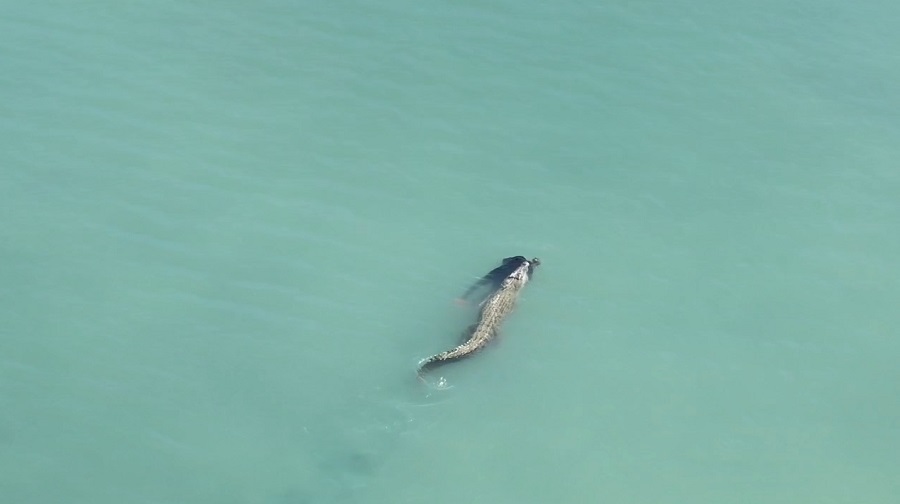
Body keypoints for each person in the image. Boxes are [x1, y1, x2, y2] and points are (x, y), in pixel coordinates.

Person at [455, 256, 529, 306]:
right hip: (504, 277)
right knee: (491, 292)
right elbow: (528, 279)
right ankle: (473, 304)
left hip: (497, 272)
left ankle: (463, 298)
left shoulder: (519, 258)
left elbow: (504, 260)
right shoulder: (527, 268)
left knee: (480, 283)